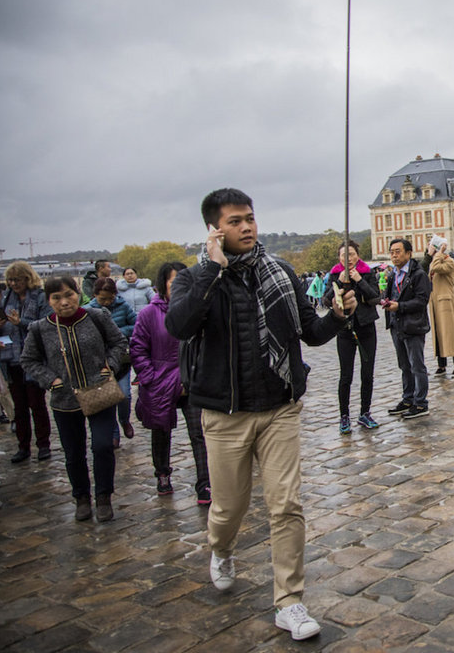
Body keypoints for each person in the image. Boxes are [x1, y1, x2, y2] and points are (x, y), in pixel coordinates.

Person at [165, 188, 356, 641]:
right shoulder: (195, 279)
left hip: (279, 408)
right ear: (214, 229)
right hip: (224, 414)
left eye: (250, 218)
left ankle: (289, 601)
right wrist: (213, 269)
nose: (247, 226)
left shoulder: (280, 271)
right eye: (234, 221)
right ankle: (221, 547)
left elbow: (308, 332)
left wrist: (337, 313)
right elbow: (180, 326)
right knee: (230, 506)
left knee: (286, 504)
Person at [21, 275, 128, 522]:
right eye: (56, 298)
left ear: (78, 293)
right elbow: (29, 360)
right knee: (74, 452)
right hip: (65, 400)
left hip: (99, 392)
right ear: (49, 301)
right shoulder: (40, 328)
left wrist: (109, 365)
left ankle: (103, 496)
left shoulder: (97, 317)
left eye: (68, 295)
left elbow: (118, 343)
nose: (64, 302)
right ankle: (81, 497)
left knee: (102, 445)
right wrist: (51, 380)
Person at [131, 262, 211, 501]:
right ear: (162, 283)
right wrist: (150, 377)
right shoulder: (149, 313)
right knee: (161, 431)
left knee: (200, 433)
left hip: (191, 381)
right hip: (160, 381)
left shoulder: (197, 311)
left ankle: (205, 484)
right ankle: (163, 473)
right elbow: (137, 348)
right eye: (172, 280)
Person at [0, 262, 53, 462]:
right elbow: (1, 328)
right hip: (11, 356)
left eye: (16, 280)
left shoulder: (40, 296)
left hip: (34, 357)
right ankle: (23, 446)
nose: (13, 283)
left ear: (27, 278)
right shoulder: (7, 297)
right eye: (10, 280)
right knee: (19, 406)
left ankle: (43, 444)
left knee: (37, 403)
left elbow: (46, 324)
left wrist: (22, 323)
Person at [324, 240, 381, 432]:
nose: (348, 258)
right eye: (343, 255)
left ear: (357, 254)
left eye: (351, 254)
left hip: (366, 327)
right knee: (345, 375)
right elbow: (326, 300)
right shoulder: (333, 274)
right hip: (345, 330)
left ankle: (365, 412)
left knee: (367, 373)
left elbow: (375, 297)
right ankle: (344, 416)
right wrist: (340, 282)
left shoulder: (367, 272)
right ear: (339, 258)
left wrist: (359, 280)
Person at [382, 238, 432, 419]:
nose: (394, 255)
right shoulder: (392, 275)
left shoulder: (418, 274)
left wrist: (399, 306)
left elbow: (422, 300)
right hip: (397, 326)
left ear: (409, 253)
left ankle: (421, 403)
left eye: (398, 251)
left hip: (413, 326)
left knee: (417, 365)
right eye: (392, 252)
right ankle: (408, 398)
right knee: (404, 365)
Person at [84, 277, 137, 447]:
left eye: (110, 298)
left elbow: (136, 324)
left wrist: (116, 331)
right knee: (108, 399)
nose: (107, 302)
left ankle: (124, 420)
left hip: (121, 358)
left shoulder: (123, 306)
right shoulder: (88, 311)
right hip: (99, 362)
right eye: (102, 299)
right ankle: (114, 434)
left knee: (124, 394)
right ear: (95, 295)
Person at [427, 240, 454, 377]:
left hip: (445, 301)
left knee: (450, 334)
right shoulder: (435, 261)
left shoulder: (449, 262)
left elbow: (436, 267)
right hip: (435, 302)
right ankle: (441, 364)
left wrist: (439, 253)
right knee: (438, 334)